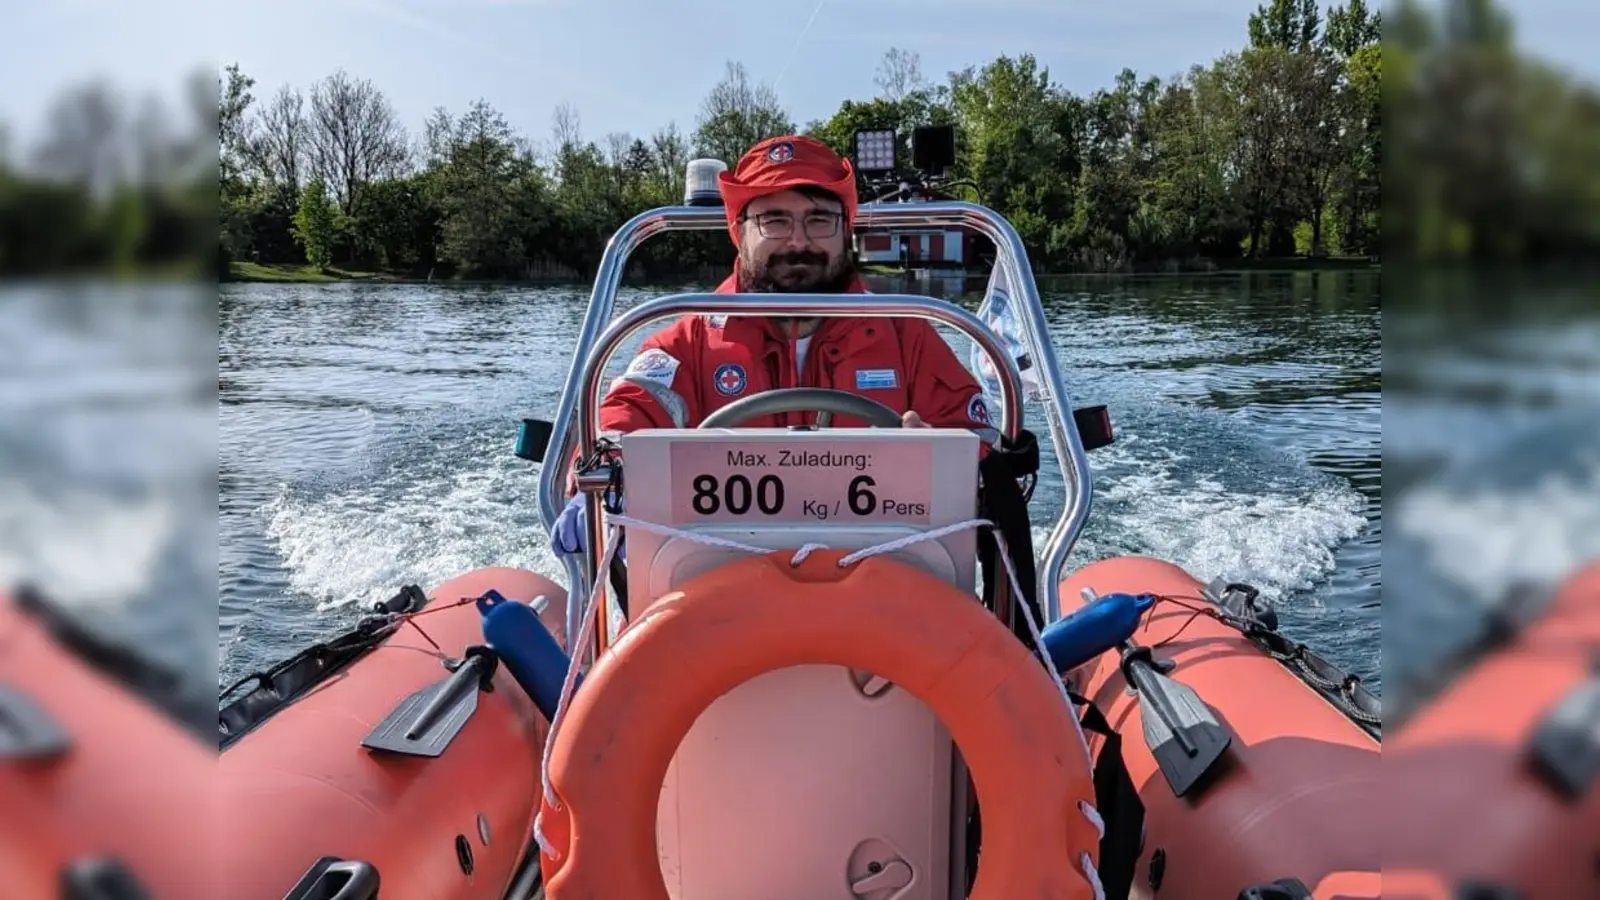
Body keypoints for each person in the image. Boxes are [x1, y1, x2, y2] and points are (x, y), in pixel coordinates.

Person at [552, 134, 997, 555]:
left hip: (887, 587)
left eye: (820, 219)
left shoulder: (908, 335)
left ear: (847, 231)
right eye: (774, 220)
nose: (799, 241)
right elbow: (627, 414)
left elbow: (980, 444)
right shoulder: (688, 341)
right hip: (720, 595)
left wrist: (950, 464)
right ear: (738, 231)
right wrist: (605, 480)